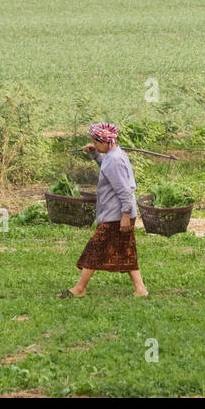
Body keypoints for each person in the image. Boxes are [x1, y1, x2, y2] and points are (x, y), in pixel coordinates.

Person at [59, 122, 148, 298]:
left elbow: (124, 190)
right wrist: (94, 154)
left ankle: (79, 288)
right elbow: (107, 168)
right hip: (120, 213)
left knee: (95, 248)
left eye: (96, 142)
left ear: (105, 141)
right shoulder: (113, 155)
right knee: (125, 250)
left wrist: (125, 215)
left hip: (117, 215)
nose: (94, 144)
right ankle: (140, 288)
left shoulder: (114, 160)